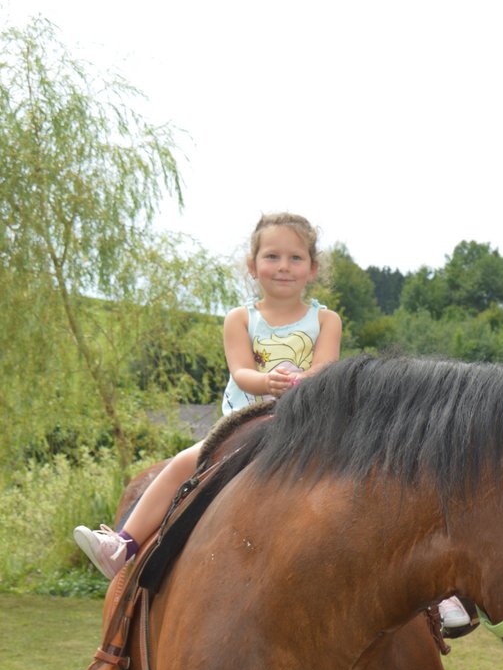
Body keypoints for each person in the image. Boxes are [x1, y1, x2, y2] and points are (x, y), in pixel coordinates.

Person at [72, 210, 469, 633]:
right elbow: (240, 371)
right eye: (272, 256)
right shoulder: (240, 318)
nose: (283, 267)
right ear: (252, 265)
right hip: (246, 421)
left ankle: (440, 592)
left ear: (313, 269)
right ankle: (123, 545)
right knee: (181, 467)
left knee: (379, 480)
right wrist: (267, 381)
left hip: (308, 424)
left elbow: (325, 369)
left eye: (296, 258)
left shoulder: (325, 319)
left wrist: (298, 384)